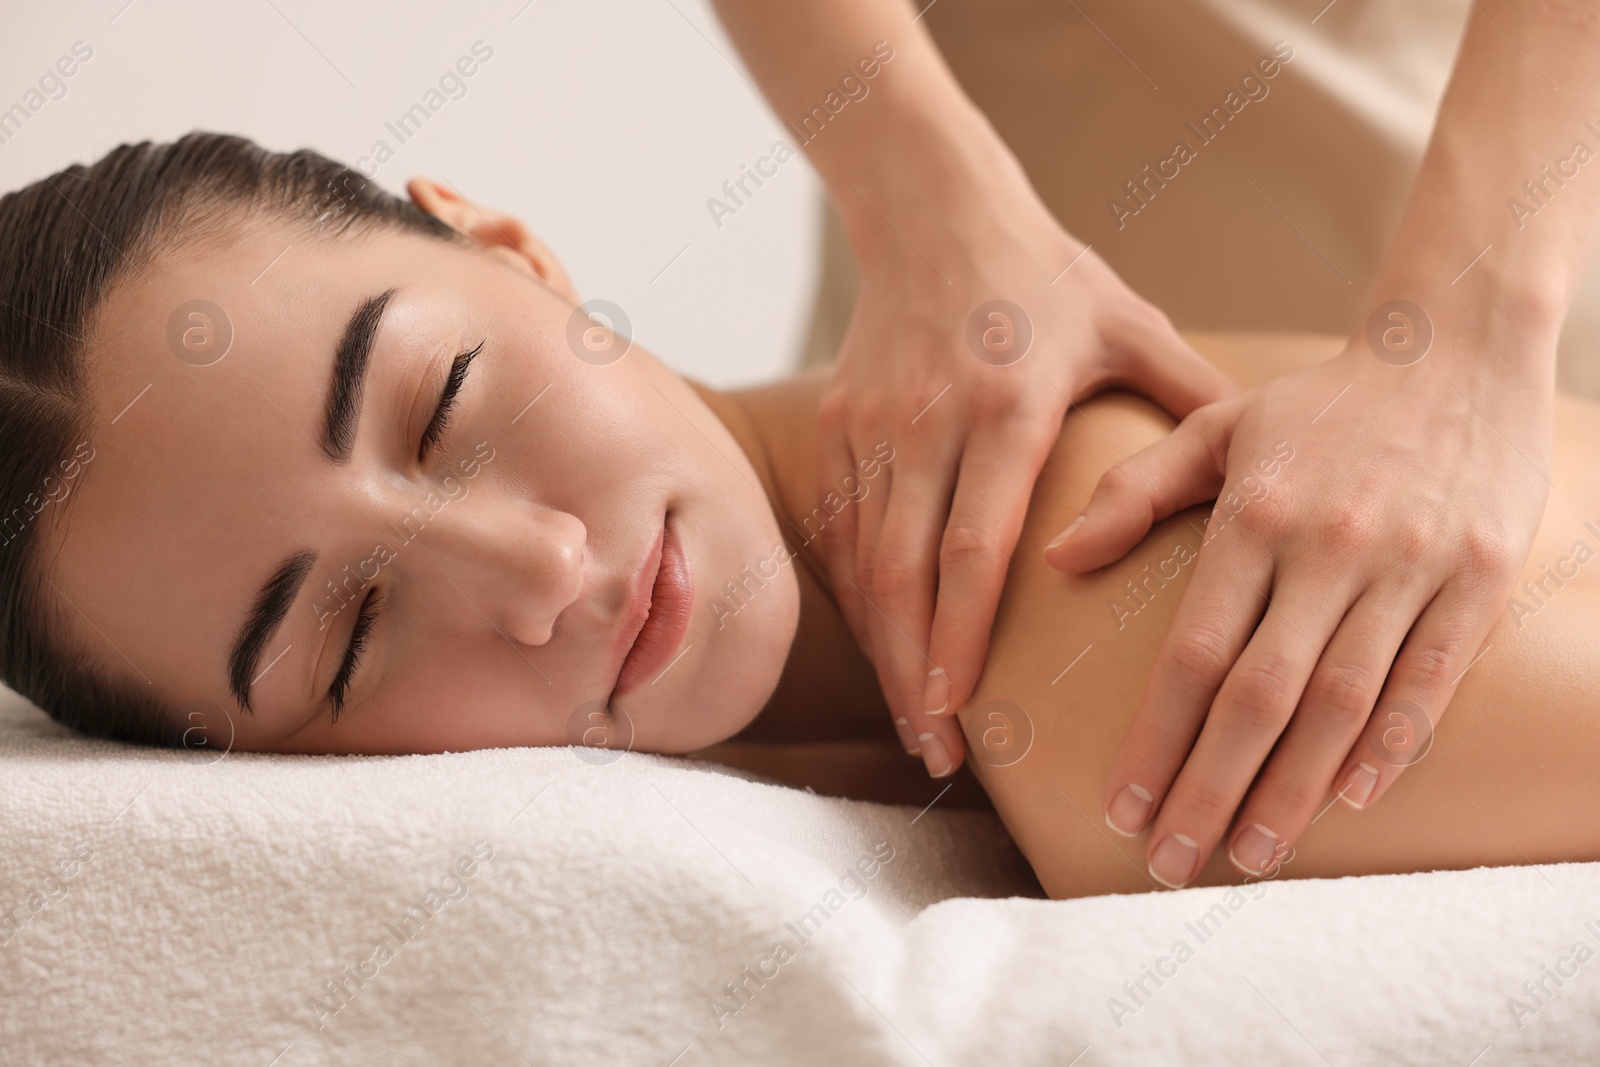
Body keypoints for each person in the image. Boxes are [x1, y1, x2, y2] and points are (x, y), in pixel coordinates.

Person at [1, 133, 1598, 899]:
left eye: (444, 401)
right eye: (351, 632)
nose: (546, 568)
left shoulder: (1092, 634)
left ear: (507, 242)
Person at [707, 0, 1600, 880]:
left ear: (556, 269)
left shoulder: (1076, 661)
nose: (561, 569)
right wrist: (931, 208)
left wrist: (1474, 319)